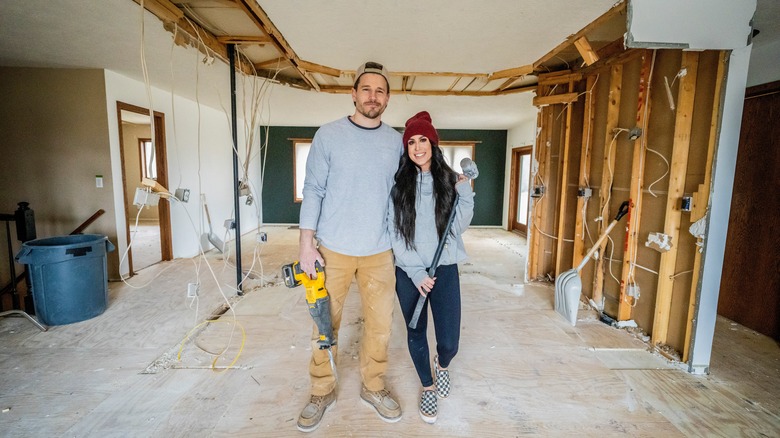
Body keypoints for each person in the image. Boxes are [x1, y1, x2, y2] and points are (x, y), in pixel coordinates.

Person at [296, 61, 404, 432]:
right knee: (324, 325)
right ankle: (321, 390)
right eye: (367, 89)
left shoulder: (396, 141)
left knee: (380, 326)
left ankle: (373, 386)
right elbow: (313, 191)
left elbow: (403, 193)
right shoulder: (328, 135)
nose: (373, 96)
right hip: (333, 251)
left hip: (379, 251)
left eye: (380, 91)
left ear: (387, 98)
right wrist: (306, 246)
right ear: (353, 94)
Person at [389, 111, 474, 424]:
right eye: (411, 141)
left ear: (433, 143)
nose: (417, 146)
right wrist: (415, 273)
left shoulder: (451, 181)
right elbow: (394, 233)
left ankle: (444, 364)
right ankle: (427, 386)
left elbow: (458, 226)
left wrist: (465, 193)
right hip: (410, 272)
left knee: (449, 339)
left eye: (423, 139)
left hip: (445, 267)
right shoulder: (399, 186)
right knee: (416, 332)